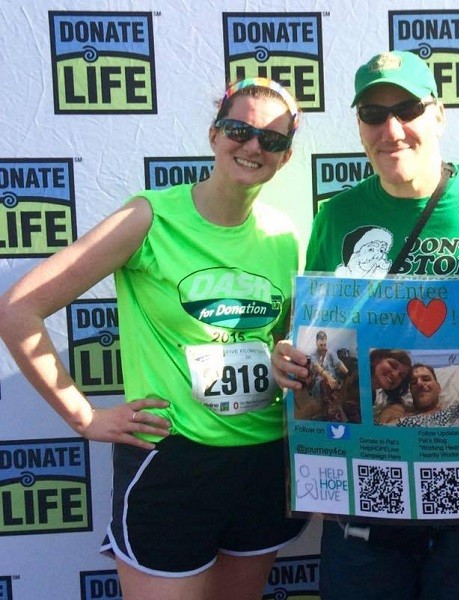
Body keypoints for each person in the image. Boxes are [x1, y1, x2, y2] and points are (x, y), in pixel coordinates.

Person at [0, 77, 306, 600]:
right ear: (214, 134)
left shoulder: (285, 236)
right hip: (172, 464)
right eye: (240, 129)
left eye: (272, 139)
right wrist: (84, 417)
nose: (254, 146)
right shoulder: (150, 217)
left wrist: (283, 355)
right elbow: (19, 309)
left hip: (263, 462)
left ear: (286, 156)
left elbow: (276, 338)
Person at [271, 49, 459, 600]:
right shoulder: (337, 216)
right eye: (373, 114)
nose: (391, 128)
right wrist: (286, 359)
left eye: (407, 108)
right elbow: (312, 332)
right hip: (367, 491)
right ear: (359, 126)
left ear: (439, 114)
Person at [384, 363, 459, 428]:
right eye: (413, 382)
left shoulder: (458, 412)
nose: (419, 383)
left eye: (426, 379)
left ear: (438, 387)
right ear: (410, 391)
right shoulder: (399, 413)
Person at [371, 348, 412, 423]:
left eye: (401, 376)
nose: (395, 375)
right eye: (393, 365)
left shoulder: (385, 400)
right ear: (377, 359)